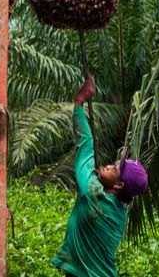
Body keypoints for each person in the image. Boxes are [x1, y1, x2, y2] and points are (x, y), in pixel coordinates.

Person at [52, 74, 149, 277]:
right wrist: (102, 179)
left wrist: (79, 102)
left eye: (114, 169)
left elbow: (85, 144)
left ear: (120, 186)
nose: (107, 166)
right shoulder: (118, 210)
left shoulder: (92, 194)